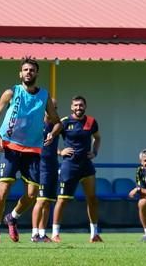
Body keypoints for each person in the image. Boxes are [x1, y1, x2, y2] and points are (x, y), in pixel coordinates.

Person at [0, 57, 61, 244]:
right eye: (25, 70)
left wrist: (52, 133)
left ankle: (12, 217)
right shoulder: (12, 93)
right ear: (20, 73)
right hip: (10, 147)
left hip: (33, 150)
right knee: (3, 190)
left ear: (37, 73)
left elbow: (57, 121)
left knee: (31, 194)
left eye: (32, 70)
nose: (29, 72)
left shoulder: (44, 96)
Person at [51, 95, 102, 243]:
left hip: (86, 166)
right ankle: (55, 234)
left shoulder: (91, 122)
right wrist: (60, 152)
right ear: (71, 107)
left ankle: (94, 234)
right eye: (76, 105)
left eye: (81, 105)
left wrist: (95, 152)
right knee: (62, 200)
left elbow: (97, 138)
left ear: (85, 106)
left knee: (92, 199)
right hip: (69, 166)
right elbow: (48, 139)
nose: (78, 108)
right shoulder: (64, 122)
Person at [31, 98, 59, 242]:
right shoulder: (36, 124)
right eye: (50, 107)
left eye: (55, 107)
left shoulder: (57, 125)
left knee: (48, 201)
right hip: (41, 167)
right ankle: (34, 233)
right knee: (40, 200)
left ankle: (42, 233)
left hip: (53, 166)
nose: (53, 110)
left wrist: (60, 152)